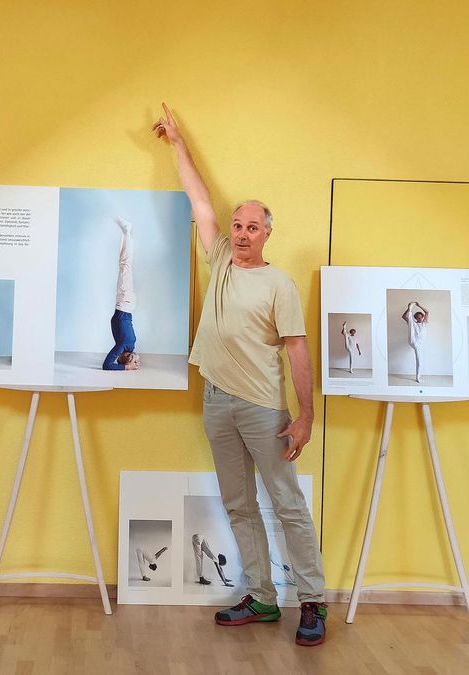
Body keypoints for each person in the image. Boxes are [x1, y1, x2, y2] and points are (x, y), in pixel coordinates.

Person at [153, 103, 327, 647]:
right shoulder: (221, 259)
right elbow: (199, 201)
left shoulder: (280, 285)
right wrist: (178, 144)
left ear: (268, 234)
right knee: (238, 503)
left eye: (253, 227)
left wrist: (305, 417)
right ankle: (261, 596)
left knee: (287, 504)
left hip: (263, 410)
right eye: (238, 224)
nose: (243, 233)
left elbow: (297, 351)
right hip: (216, 403)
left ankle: (313, 601)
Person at [103, 217, 141, 371]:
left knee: (125, 265)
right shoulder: (129, 345)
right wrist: (132, 365)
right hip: (125, 303)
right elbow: (134, 358)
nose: (134, 360)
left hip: (125, 304)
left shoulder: (122, 344)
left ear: (123, 357)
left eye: (129, 360)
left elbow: (107, 366)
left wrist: (127, 368)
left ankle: (126, 232)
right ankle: (126, 231)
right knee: (125, 264)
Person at [401, 301, 429, 384]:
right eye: (418, 317)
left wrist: (419, 305)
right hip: (412, 341)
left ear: (422, 317)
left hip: (419, 345)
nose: (420, 319)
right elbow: (403, 316)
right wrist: (408, 308)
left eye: (421, 317)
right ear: (416, 318)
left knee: (419, 361)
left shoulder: (424, 323)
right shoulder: (412, 323)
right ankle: (410, 310)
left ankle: (418, 377)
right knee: (410, 323)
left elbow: (427, 312)